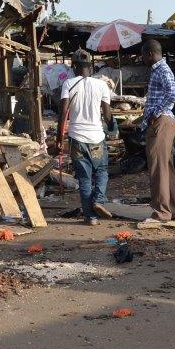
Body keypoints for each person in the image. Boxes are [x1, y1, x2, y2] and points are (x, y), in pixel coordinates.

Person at [57, 49, 113, 225]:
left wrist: (60, 138)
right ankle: (99, 200)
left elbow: (63, 113)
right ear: (91, 66)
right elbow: (107, 114)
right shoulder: (101, 85)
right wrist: (112, 129)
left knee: (84, 178)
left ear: (74, 66)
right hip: (97, 137)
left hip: (77, 139)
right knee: (102, 171)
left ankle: (91, 217)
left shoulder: (68, 84)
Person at [140, 39, 175, 221]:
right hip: (164, 121)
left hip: (161, 122)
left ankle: (162, 212)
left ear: (150, 54)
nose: (143, 60)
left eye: (143, 56)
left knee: (158, 168)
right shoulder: (159, 70)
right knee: (165, 167)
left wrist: (155, 113)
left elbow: (173, 92)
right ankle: (171, 210)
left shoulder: (161, 69)